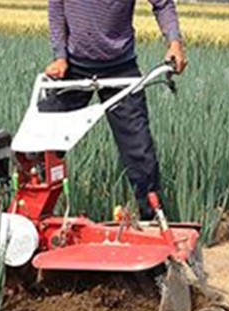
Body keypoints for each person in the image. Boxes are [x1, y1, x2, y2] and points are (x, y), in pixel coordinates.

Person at [44, 0, 187, 220]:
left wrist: (174, 43)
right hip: (72, 68)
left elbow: (163, 3)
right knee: (44, 146)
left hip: (121, 67)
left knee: (140, 152)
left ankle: (153, 222)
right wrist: (60, 56)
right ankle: (33, 219)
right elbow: (56, 6)